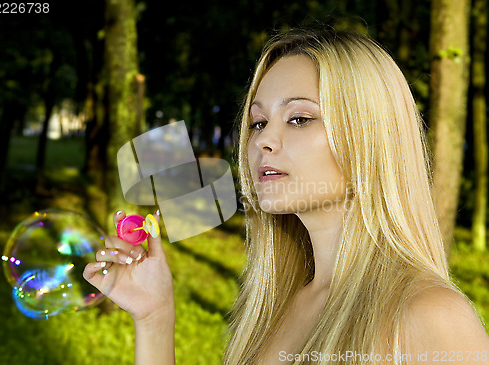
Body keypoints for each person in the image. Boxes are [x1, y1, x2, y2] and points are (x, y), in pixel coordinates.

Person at [83, 27, 489, 364]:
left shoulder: (431, 315)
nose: (264, 141)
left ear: (370, 138)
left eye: (299, 118)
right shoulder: (278, 306)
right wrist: (155, 317)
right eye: (258, 122)